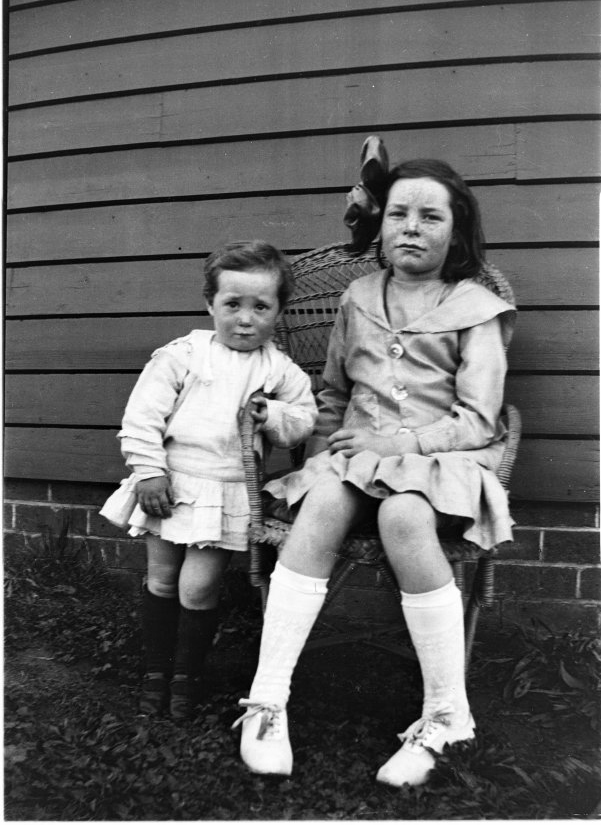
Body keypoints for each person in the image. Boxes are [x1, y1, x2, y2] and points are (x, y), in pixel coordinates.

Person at [233, 150, 516, 785]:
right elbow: (333, 394)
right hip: (355, 454)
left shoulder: (477, 308)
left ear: (457, 230)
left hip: (443, 459)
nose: (412, 227)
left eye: (430, 216)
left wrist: (405, 447)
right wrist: (318, 462)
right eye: (399, 214)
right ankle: (267, 700)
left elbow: (479, 417)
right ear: (381, 227)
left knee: (405, 515)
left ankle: (447, 712)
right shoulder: (359, 296)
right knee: (327, 504)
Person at [100, 240, 317, 720]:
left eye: (261, 307)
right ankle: (156, 672)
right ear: (210, 304)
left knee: (196, 588)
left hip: (225, 493)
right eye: (232, 305)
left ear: (279, 311)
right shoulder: (185, 354)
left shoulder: (278, 369)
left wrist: (273, 414)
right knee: (160, 579)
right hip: (169, 486)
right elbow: (142, 417)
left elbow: (305, 420)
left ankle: (186, 679)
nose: (245, 319)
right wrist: (149, 471)